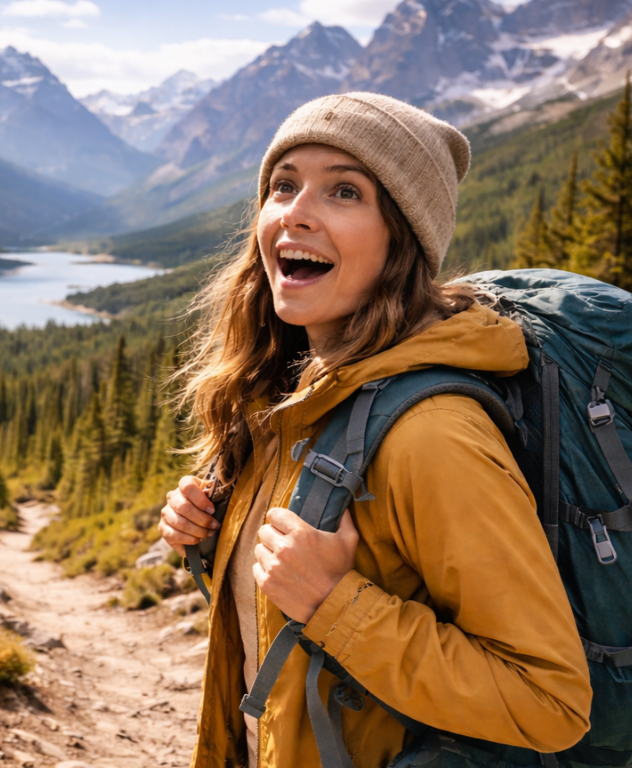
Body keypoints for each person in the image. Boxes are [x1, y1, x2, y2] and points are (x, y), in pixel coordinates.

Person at [159, 93, 594, 768]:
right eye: (283, 185)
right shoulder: (298, 398)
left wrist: (335, 602)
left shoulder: (433, 435)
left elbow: (549, 699)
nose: (295, 212)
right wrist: (215, 542)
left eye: (344, 191)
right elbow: (284, 622)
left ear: (403, 239)